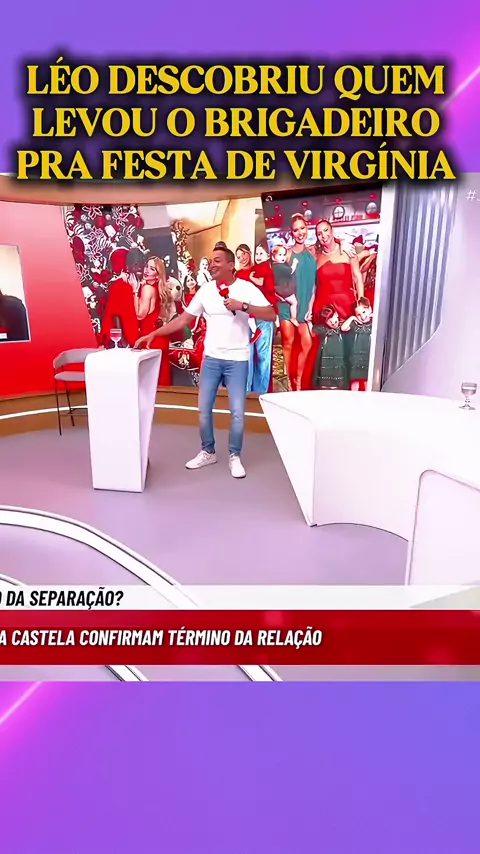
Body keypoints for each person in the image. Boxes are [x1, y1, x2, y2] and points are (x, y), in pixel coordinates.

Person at [134, 246, 276, 478]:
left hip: (237, 359)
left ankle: (235, 456)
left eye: (217, 260)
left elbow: (271, 314)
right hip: (211, 359)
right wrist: (155, 334)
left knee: (237, 412)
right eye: (210, 260)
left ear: (230, 265)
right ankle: (208, 451)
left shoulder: (246, 288)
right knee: (203, 410)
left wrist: (243, 306)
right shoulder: (206, 291)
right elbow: (183, 320)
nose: (212, 264)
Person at [308, 220, 364, 323]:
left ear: (332, 231)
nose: (323, 235)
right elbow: (313, 287)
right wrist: (310, 309)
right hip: (324, 310)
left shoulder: (348, 250)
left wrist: (361, 303)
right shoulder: (316, 256)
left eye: (326, 230)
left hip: (346, 306)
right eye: (319, 234)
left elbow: (357, 277)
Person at [311, 304, 349, 390]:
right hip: (326, 362)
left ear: (336, 314)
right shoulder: (323, 329)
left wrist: (352, 318)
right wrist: (309, 322)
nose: (332, 322)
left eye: (332, 317)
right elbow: (313, 333)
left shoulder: (342, 326)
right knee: (325, 387)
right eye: (328, 320)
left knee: (338, 387)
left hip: (339, 362)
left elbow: (346, 327)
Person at [341, 297, 373, 391]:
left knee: (367, 381)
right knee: (355, 380)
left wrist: (374, 315)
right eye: (358, 314)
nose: (362, 317)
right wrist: (352, 318)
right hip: (356, 357)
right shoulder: (356, 324)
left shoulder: (373, 323)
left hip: (368, 356)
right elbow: (343, 328)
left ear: (370, 309)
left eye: (364, 312)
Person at [271, 244, 299, 325]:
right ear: (273, 257)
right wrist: (295, 263)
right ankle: (293, 318)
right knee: (294, 303)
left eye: (284, 255)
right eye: (280, 255)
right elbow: (291, 271)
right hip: (284, 290)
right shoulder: (279, 266)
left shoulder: (273, 266)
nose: (283, 257)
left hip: (278, 289)